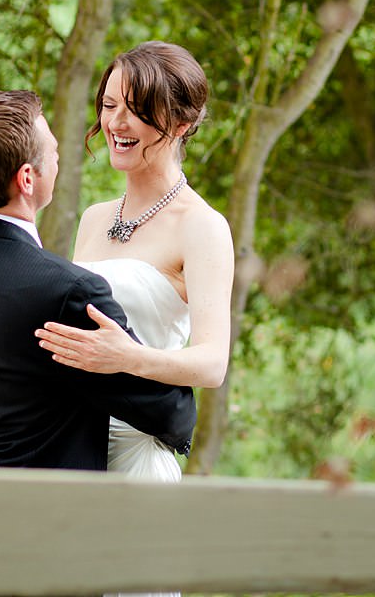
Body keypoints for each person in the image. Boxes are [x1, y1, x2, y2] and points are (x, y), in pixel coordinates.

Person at [0, 90, 196, 469]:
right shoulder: (66, 292)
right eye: (53, 151)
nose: (59, 158)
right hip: (36, 515)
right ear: (27, 178)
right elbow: (168, 413)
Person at [35, 41, 235, 480]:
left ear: (181, 123)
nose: (116, 123)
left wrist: (127, 357)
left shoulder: (202, 226)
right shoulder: (93, 219)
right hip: (71, 448)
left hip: (137, 454)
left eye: (138, 109)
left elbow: (211, 364)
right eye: (109, 105)